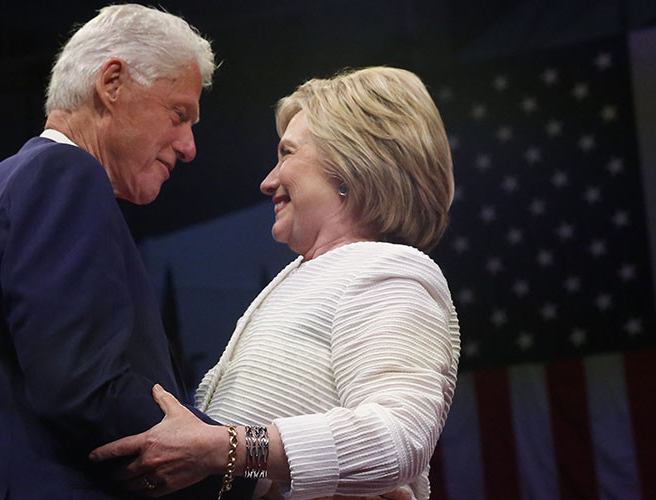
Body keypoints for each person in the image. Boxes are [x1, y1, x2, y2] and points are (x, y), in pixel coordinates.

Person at [90, 67, 460, 500]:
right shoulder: (309, 276)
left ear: (350, 167)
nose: (268, 181)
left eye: (287, 153)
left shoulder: (389, 271)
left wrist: (225, 447)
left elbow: (398, 438)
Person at [0, 5, 252, 499]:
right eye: (178, 114)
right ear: (112, 84)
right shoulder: (63, 176)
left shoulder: (3, 183)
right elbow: (87, 391)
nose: (189, 145)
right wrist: (246, 470)